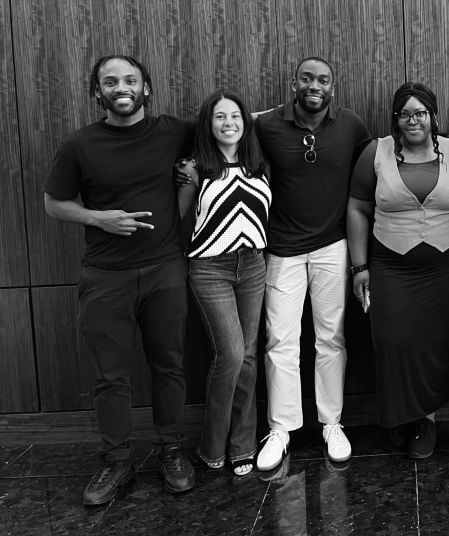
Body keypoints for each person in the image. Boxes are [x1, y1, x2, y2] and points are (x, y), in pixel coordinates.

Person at [43, 55, 195, 505]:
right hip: (105, 274)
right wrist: (97, 218)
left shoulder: (175, 132)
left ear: (146, 87)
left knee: (169, 364)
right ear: (98, 92)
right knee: (111, 377)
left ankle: (171, 451)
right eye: (111, 81)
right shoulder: (80, 144)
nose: (121, 87)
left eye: (130, 80)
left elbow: (228, 121)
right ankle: (116, 463)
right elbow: (54, 203)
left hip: (166, 267)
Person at [346, 82, 449, 459]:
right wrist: (359, 267)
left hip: (445, 267)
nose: (412, 120)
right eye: (405, 113)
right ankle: (402, 414)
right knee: (394, 342)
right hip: (389, 266)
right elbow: (356, 207)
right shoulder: (376, 151)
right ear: (395, 118)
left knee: (434, 344)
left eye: (420, 113)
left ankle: (426, 420)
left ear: (433, 116)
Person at [254, 57, 370, 471]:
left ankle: (331, 423)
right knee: (280, 342)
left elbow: (372, 165)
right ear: (293, 83)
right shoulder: (266, 124)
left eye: (322, 80)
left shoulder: (351, 124)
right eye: (306, 78)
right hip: (281, 247)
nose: (314, 85)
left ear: (332, 88)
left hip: (332, 246)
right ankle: (281, 429)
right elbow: (226, 129)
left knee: (331, 338)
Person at [177, 91, 271, 476]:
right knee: (231, 355)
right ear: (208, 124)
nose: (229, 123)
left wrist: (254, 113)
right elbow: (178, 221)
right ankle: (211, 447)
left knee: (248, 357)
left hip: (253, 266)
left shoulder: (258, 165)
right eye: (220, 117)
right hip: (210, 268)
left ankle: (243, 446)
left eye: (236, 116)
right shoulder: (194, 167)